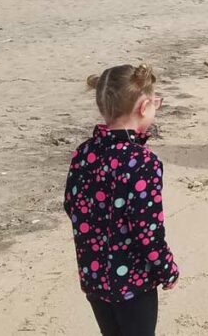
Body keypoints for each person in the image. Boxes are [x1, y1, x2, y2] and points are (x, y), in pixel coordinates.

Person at [65, 64, 179, 336]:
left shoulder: (84, 153)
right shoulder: (142, 162)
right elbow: (147, 229)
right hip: (133, 283)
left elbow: (72, 205)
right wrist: (166, 268)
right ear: (143, 107)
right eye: (156, 103)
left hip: (94, 276)